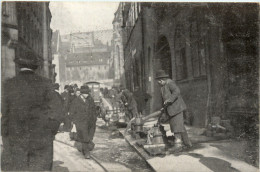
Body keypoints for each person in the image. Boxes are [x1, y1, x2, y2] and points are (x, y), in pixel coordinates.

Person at [1, 51, 63, 171]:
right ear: (35, 67)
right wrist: (50, 132)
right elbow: (57, 111)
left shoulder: (9, 85)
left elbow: (4, 115)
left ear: (18, 66)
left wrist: (6, 137)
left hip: (16, 141)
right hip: (41, 142)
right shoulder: (45, 84)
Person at [155, 69, 192, 152]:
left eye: (159, 81)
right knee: (180, 126)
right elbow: (164, 99)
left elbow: (177, 91)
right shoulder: (162, 87)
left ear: (162, 80)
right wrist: (163, 107)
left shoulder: (169, 83)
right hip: (172, 109)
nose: (158, 83)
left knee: (176, 127)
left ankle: (178, 145)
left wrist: (169, 100)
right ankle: (187, 143)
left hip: (177, 108)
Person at [69, 85, 97, 159]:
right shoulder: (76, 101)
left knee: (89, 136)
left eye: (87, 93)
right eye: (85, 93)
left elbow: (94, 110)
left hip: (90, 122)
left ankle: (86, 148)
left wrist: (94, 119)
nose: (87, 95)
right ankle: (86, 152)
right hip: (81, 123)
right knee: (84, 137)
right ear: (81, 93)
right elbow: (72, 112)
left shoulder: (90, 100)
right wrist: (75, 122)